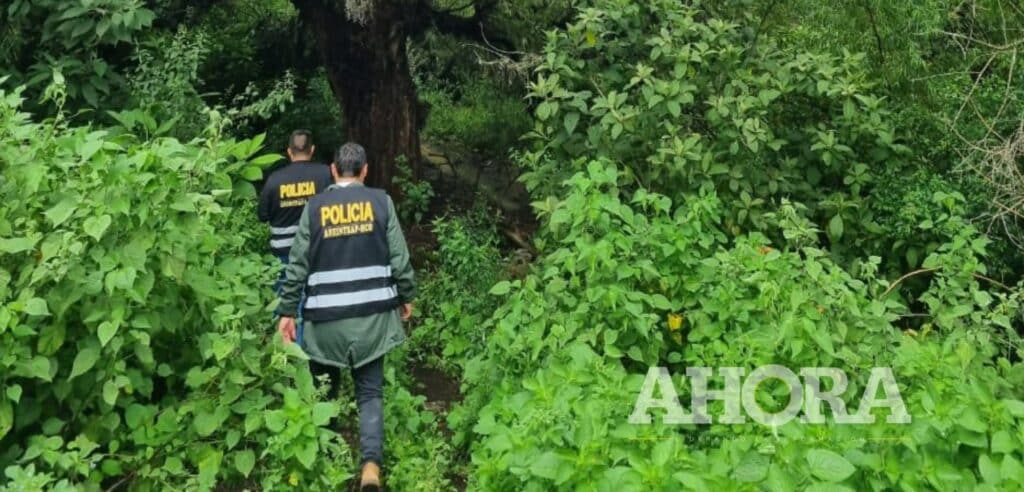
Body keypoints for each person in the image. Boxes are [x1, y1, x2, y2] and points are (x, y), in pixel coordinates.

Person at [276, 142, 415, 491]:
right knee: (369, 392)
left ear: (334, 172)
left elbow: (297, 266)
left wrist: (287, 311)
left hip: (326, 323)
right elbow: (399, 257)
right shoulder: (381, 202)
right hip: (372, 320)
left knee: (326, 389)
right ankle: (370, 469)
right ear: (365, 170)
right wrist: (407, 295)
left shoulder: (314, 207)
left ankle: (325, 461)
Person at [257, 130, 332, 345]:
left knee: (286, 303)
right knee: (317, 300)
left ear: (289, 152)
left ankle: (288, 356)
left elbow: (263, 215)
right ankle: (317, 352)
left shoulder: (275, 180)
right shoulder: (325, 174)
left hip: (284, 254)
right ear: (313, 150)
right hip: (318, 250)